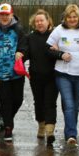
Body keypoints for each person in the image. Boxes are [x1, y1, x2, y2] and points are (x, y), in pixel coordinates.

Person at [46, 4, 79, 146]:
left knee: (74, 106)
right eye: (69, 17)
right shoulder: (59, 30)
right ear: (65, 18)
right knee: (70, 105)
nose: (72, 19)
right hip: (63, 74)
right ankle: (72, 135)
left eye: (75, 17)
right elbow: (48, 49)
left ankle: (69, 131)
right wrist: (60, 54)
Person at [0, 3, 25, 142]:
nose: (4, 17)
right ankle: (8, 127)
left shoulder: (18, 29)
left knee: (18, 100)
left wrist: (21, 52)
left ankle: (8, 118)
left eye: (7, 14)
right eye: (2, 14)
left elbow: (24, 46)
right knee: (5, 100)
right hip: (0, 73)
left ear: (11, 15)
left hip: (16, 72)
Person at [20, 9, 59, 146]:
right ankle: (41, 124)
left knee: (50, 102)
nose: (39, 23)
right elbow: (25, 54)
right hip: (36, 76)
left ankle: (50, 131)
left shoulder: (55, 36)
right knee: (39, 102)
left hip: (53, 76)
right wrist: (20, 56)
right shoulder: (30, 38)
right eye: (37, 21)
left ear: (48, 21)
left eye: (42, 20)